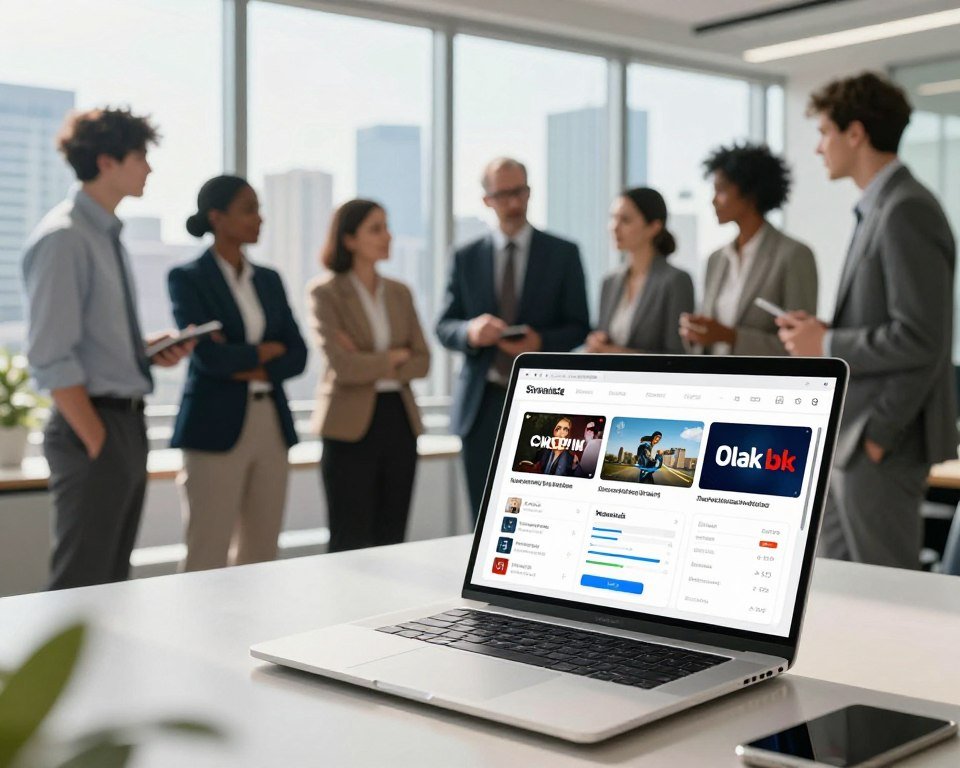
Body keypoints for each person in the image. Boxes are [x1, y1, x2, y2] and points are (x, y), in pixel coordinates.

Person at [777, 71, 957, 568]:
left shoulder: (906, 209)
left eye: (824, 133)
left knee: (887, 602)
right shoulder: (879, 207)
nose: (818, 149)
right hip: (852, 442)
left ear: (855, 133)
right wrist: (821, 332)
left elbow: (922, 338)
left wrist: (877, 437)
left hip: (879, 442)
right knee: (839, 587)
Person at [20, 107, 193, 590]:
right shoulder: (65, 238)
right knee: (82, 585)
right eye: (140, 156)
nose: (150, 169)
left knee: (112, 587)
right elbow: (50, 356)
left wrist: (142, 350)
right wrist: (96, 439)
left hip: (123, 424)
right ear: (106, 162)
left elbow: (90, 341)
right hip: (92, 428)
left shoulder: (106, 236)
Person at [168, 175, 307, 571]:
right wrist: (265, 353)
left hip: (271, 424)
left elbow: (297, 355)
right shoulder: (188, 278)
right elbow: (209, 359)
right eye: (249, 209)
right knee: (206, 550)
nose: (259, 218)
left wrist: (243, 358)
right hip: (213, 426)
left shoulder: (269, 279)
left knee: (262, 553)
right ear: (217, 217)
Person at [436, 157, 589, 517]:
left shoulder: (563, 253)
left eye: (519, 192)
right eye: (502, 194)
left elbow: (580, 325)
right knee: (482, 513)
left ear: (530, 192)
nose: (513, 202)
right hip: (482, 403)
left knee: (543, 514)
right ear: (487, 200)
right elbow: (444, 325)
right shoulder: (465, 256)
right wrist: (471, 331)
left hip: (545, 403)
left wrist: (540, 342)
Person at [308, 199, 430, 552]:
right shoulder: (325, 292)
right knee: (349, 537)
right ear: (349, 239)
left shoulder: (399, 292)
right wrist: (393, 356)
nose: (387, 236)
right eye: (375, 229)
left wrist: (368, 359)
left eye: (386, 226)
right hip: (348, 425)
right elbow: (343, 367)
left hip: (399, 418)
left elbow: (422, 361)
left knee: (393, 537)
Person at [679, 143, 817, 354]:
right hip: (713, 383)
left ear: (750, 192)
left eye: (722, 190)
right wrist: (696, 333)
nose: (713, 200)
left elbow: (801, 346)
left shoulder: (793, 255)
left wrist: (729, 336)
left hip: (763, 385)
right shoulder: (716, 259)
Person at [586, 188, 693, 355]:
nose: (614, 227)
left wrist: (615, 353)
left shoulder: (676, 281)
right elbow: (603, 338)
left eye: (625, 220)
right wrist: (596, 342)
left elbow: (676, 356)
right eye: (613, 218)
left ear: (653, 227)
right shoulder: (609, 281)